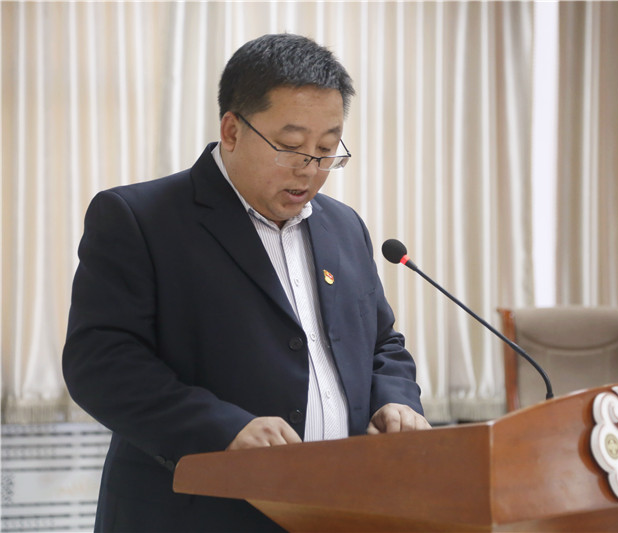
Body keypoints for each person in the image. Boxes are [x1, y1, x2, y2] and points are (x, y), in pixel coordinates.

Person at [62, 33, 430, 532]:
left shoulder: (344, 226)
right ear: (232, 131)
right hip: (194, 515)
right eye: (291, 147)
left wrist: (396, 400)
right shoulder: (140, 218)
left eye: (326, 149)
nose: (310, 170)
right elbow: (101, 363)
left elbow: (381, 342)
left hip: (337, 508)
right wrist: (224, 429)